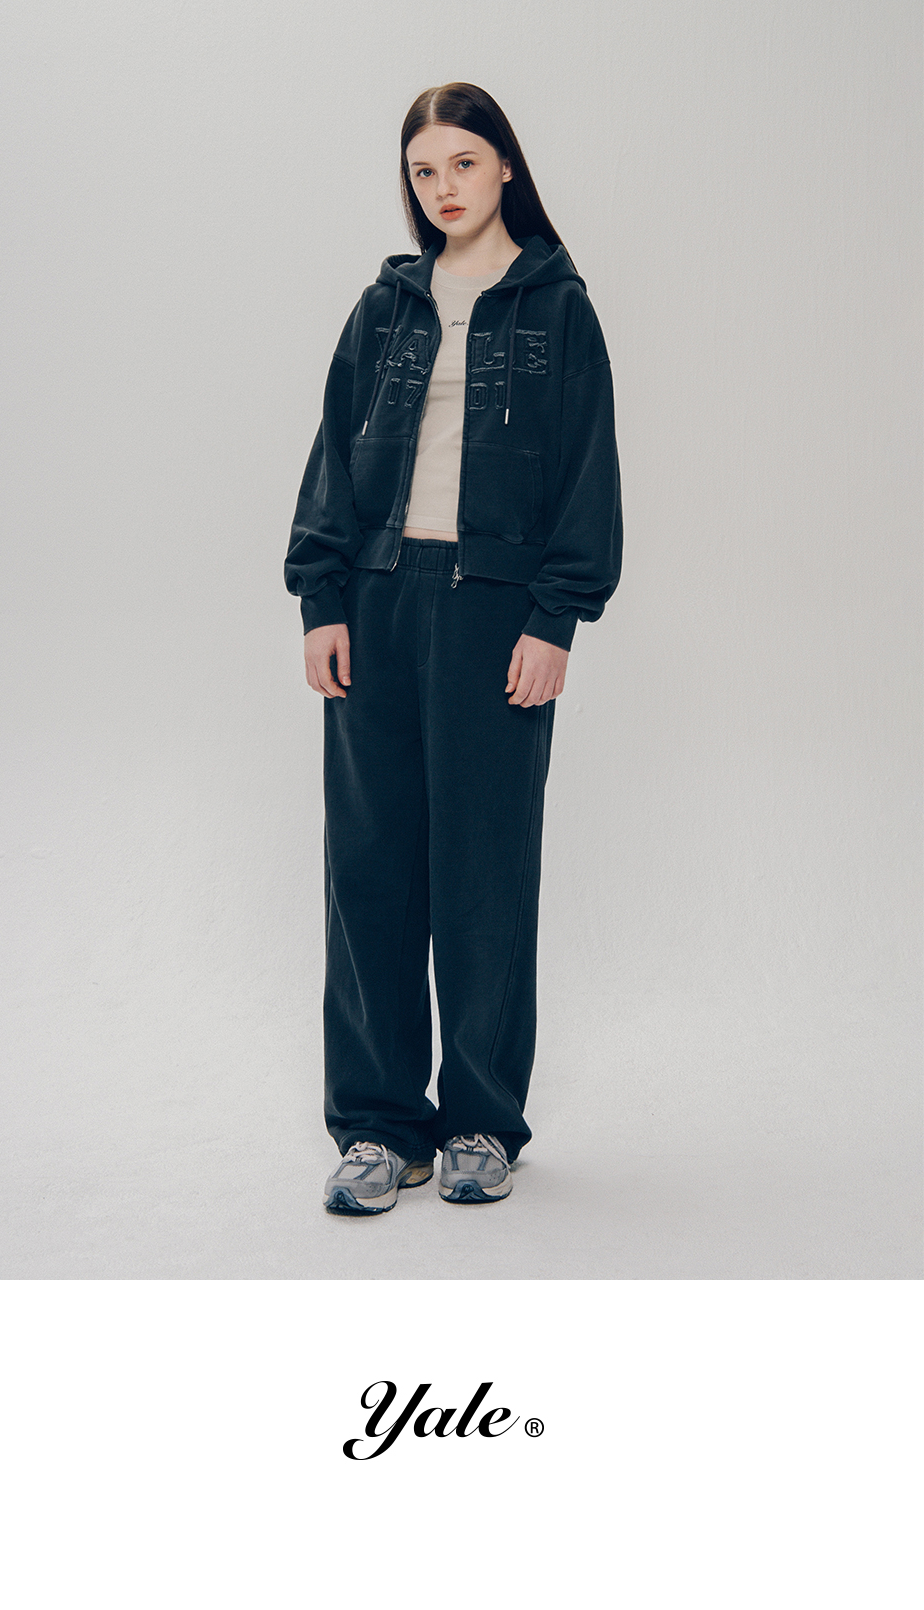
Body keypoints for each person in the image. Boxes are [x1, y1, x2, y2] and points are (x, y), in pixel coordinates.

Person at [285, 82, 622, 1214]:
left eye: (464, 163)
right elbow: (333, 456)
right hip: (377, 604)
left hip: (495, 614)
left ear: (506, 167)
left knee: (483, 870)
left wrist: (555, 617)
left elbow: (588, 471)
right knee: (371, 866)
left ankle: (481, 1120)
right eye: (424, 170)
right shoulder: (386, 306)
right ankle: (380, 1126)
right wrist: (321, 599)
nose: (444, 188)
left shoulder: (558, 308)